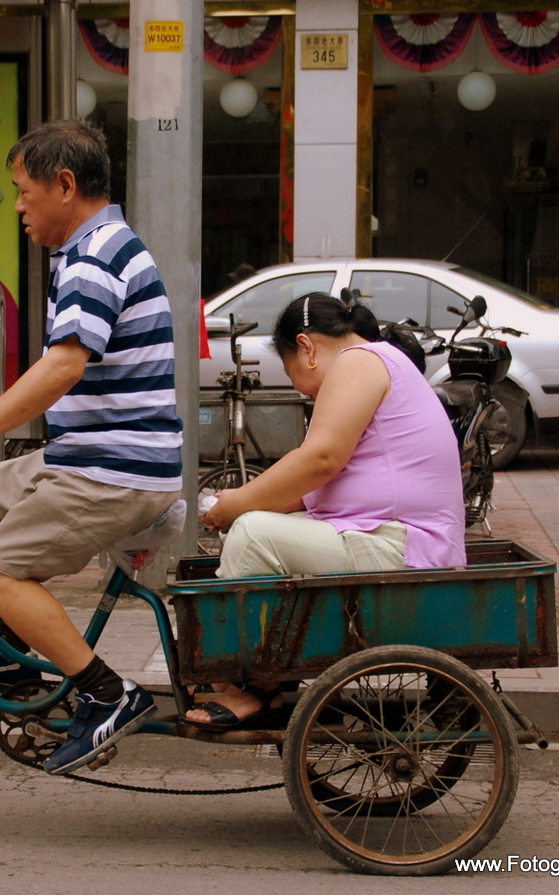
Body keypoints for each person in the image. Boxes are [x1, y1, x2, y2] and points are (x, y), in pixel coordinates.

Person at [0, 118, 182, 776]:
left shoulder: (96, 256)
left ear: (64, 185)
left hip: (115, 469)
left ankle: (108, 693)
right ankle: (11, 646)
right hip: (91, 454)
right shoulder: (93, 249)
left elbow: (63, 367)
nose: (17, 205)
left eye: (23, 190)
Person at [187, 291, 465, 730]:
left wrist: (240, 503)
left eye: (289, 367)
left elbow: (320, 460)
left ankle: (256, 688)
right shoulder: (374, 362)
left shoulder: (359, 361)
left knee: (253, 534)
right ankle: (272, 675)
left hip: (403, 544)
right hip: (389, 535)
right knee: (251, 526)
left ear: (307, 347)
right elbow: (318, 484)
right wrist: (237, 505)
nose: (296, 384)